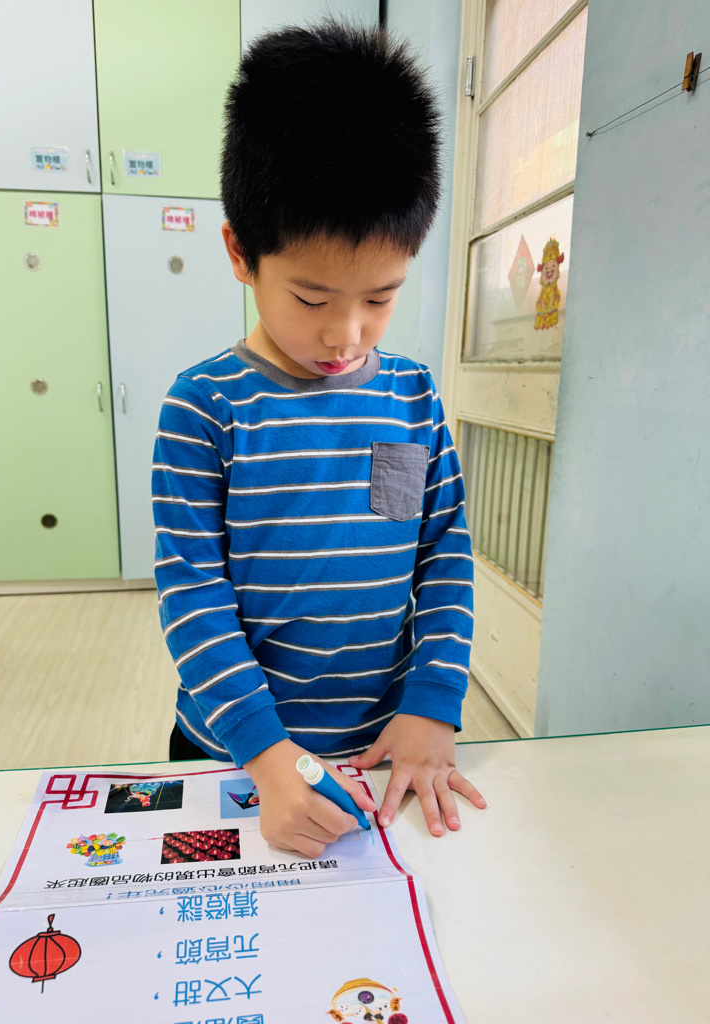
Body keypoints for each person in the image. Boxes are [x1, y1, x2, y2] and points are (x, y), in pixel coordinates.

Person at [153, 15, 486, 858]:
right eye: (311, 298)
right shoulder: (205, 409)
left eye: (380, 297)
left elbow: (438, 553)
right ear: (241, 252)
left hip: (380, 751)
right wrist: (269, 758)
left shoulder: (408, 399)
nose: (347, 334)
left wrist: (433, 704)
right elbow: (193, 594)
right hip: (237, 755)